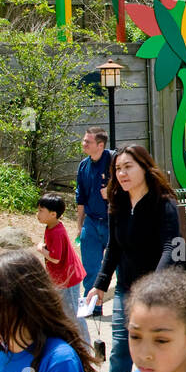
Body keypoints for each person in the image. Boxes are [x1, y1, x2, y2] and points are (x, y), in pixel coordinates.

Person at [86, 145, 184, 372]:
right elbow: (113, 249)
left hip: (158, 295)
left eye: (128, 167)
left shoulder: (163, 203)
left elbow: (174, 247)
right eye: (118, 169)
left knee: (161, 356)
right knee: (120, 353)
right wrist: (101, 284)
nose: (122, 173)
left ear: (144, 167)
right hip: (126, 292)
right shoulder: (117, 203)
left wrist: (154, 287)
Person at [37, 193, 90, 349]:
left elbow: (56, 258)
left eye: (41, 211)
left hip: (69, 278)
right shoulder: (51, 226)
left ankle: (85, 346)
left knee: (74, 313)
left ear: (53, 214)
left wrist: (41, 250)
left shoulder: (57, 231)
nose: (38, 214)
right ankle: (70, 341)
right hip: (59, 278)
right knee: (62, 310)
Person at [74, 127, 112, 298]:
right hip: (91, 222)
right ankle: (92, 308)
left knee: (122, 266)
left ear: (100, 145)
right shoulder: (83, 166)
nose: (83, 144)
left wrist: (112, 191)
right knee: (90, 269)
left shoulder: (116, 161)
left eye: (87, 142)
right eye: (84, 140)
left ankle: (128, 310)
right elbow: (80, 199)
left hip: (113, 221)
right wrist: (79, 226)